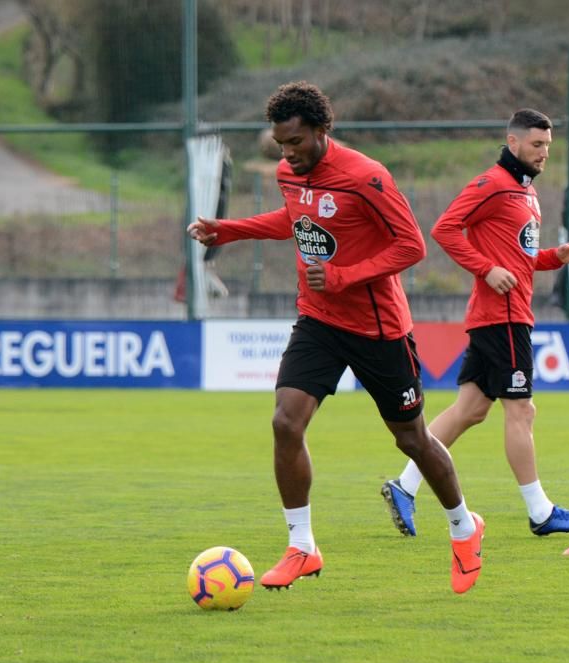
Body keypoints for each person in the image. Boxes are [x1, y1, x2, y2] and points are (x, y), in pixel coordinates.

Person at [187, 81, 484, 595]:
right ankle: (301, 546)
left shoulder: (367, 177)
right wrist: (232, 230)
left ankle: (464, 526)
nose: (287, 154)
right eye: (280, 144)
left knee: (411, 438)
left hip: (379, 328)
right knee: (285, 423)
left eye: (296, 142)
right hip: (319, 320)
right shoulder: (289, 172)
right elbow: (295, 219)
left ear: (323, 130)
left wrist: (346, 276)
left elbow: (411, 246)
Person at [381, 108, 569, 538]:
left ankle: (404, 485)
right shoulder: (491, 184)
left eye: (548, 146)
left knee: (470, 410)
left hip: (502, 316)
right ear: (512, 143)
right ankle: (540, 512)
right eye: (536, 145)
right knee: (522, 410)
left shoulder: (526, 193)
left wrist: (557, 257)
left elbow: (523, 259)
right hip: (504, 317)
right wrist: (486, 269)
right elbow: (444, 229)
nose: (544, 153)